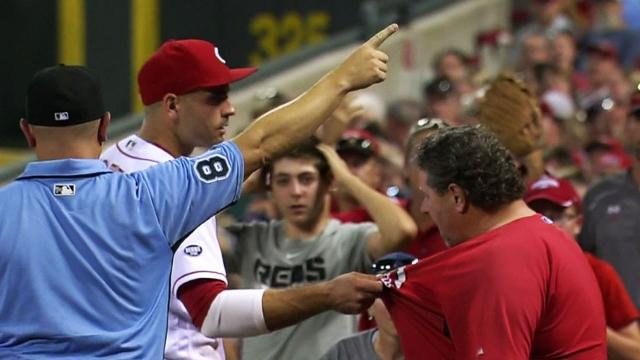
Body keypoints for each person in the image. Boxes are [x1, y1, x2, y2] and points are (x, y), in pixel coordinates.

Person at [0, 23, 399, 359]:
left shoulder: (12, 205)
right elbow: (260, 143)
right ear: (104, 126)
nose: (228, 109)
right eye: (215, 97)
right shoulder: (152, 192)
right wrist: (341, 80)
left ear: (27, 131)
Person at [381, 125, 606, 359]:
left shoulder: (506, 257)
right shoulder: (536, 235)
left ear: (457, 196)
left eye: (427, 196)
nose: (425, 208)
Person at [223, 139, 417, 360]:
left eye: (306, 179)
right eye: (283, 181)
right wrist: (240, 186)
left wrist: (345, 178)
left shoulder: (349, 238)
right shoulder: (252, 239)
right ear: (269, 188)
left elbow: (403, 230)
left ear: (327, 182)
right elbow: (183, 231)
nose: (296, 191)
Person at [524, 174, 640, 359]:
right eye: (537, 216)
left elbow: (636, 352)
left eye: (557, 216)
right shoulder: (512, 272)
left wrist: (589, 324)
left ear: (578, 224)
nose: (547, 224)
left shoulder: (598, 272)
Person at [579, 94, 640, 309]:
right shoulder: (599, 195)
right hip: (618, 331)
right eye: (638, 118)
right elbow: (582, 264)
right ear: (627, 129)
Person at [320, 252, 416, 360]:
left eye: (406, 294)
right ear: (369, 307)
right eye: (385, 293)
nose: (396, 304)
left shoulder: (436, 349)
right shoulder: (343, 353)